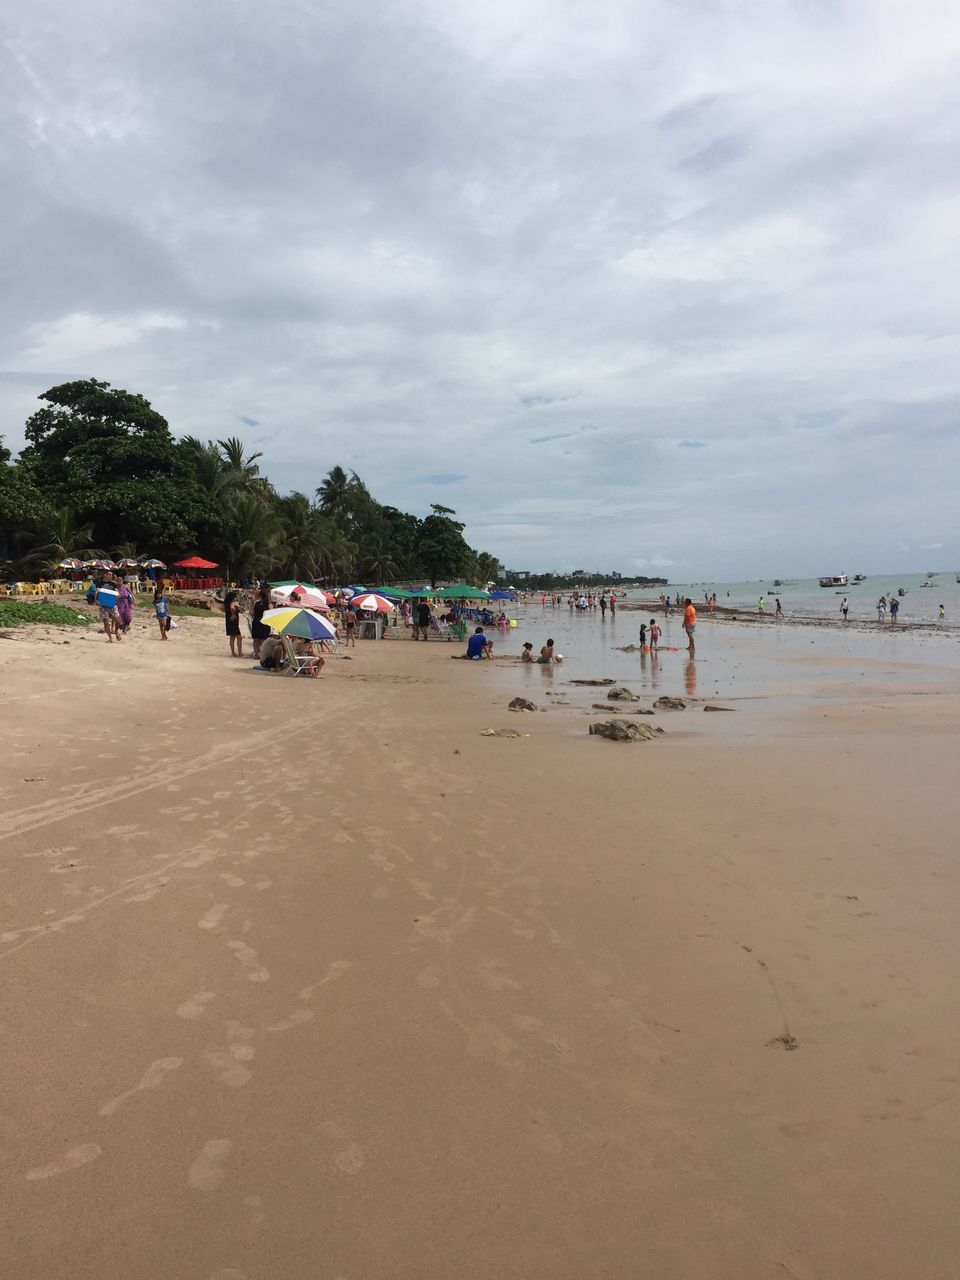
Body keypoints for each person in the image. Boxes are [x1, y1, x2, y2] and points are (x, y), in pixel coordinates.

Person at [250, 586, 271, 658]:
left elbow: (252, 613)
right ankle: (264, 655)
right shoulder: (269, 604)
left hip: (256, 622)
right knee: (264, 640)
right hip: (265, 623)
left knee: (256, 639)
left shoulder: (256, 603)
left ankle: (256, 654)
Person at [224, 589, 243, 657]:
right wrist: (233, 614)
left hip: (229, 621)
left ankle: (233, 652)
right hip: (233, 622)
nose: (236, 598)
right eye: (235, 597)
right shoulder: (232, 603)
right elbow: (232, 608)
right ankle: (240, 652)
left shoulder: (227, 603)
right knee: (239, 637)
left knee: (232, 637)